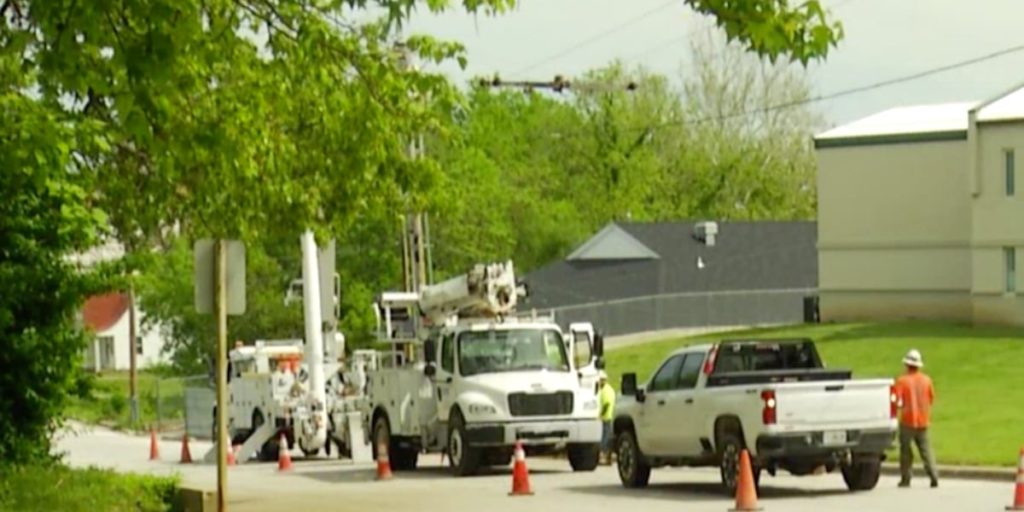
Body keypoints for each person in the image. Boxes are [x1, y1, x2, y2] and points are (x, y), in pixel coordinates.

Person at [894, 349, 938, 488]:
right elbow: (931, 398)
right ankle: (933, 475)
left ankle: (906, 478)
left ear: (907, 365)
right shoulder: (927, 380)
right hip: (923, 420)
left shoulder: (902, 381)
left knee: (906, 451)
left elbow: (898, 401)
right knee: (926, 450)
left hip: (908, 420)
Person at [597, 371, 616, 465]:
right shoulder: (609, 389)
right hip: (610, 416)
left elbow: (606, 404)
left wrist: (601, 415)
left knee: (605, 438)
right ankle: (608, 458)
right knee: (608, 437)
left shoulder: (605, 390)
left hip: (606, 417)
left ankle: (603, 456)